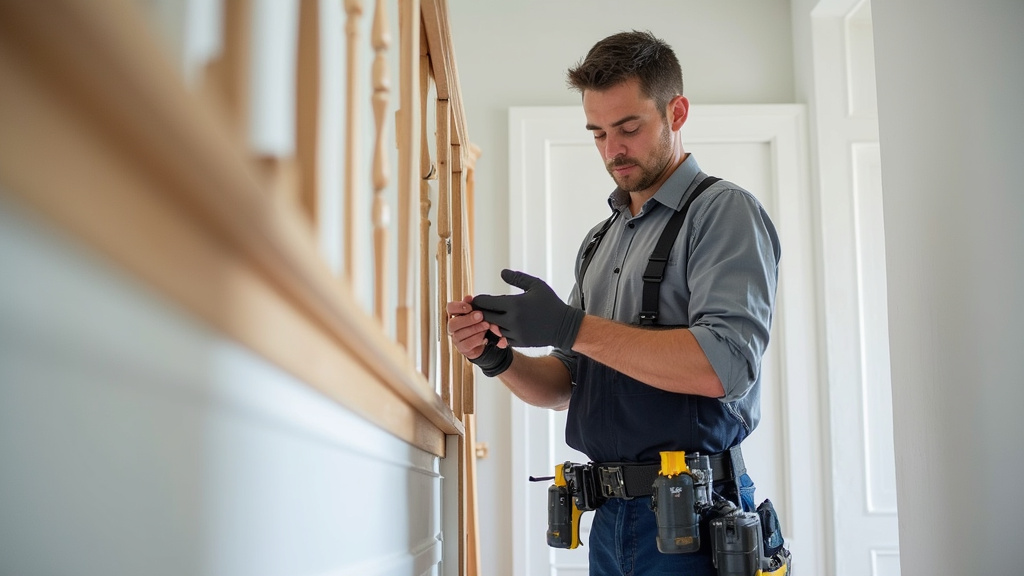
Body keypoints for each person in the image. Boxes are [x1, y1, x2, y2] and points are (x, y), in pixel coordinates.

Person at [446, 31, 781, 576]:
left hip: (692, 523)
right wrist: (497, 358)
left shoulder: (723, 213)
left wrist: (570, 324)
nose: (612, 150)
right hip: (610, 521)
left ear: (677, 111)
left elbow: (726, 365)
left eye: (629, 128)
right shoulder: (601, 241)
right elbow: (567, 386)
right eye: (598, 133)